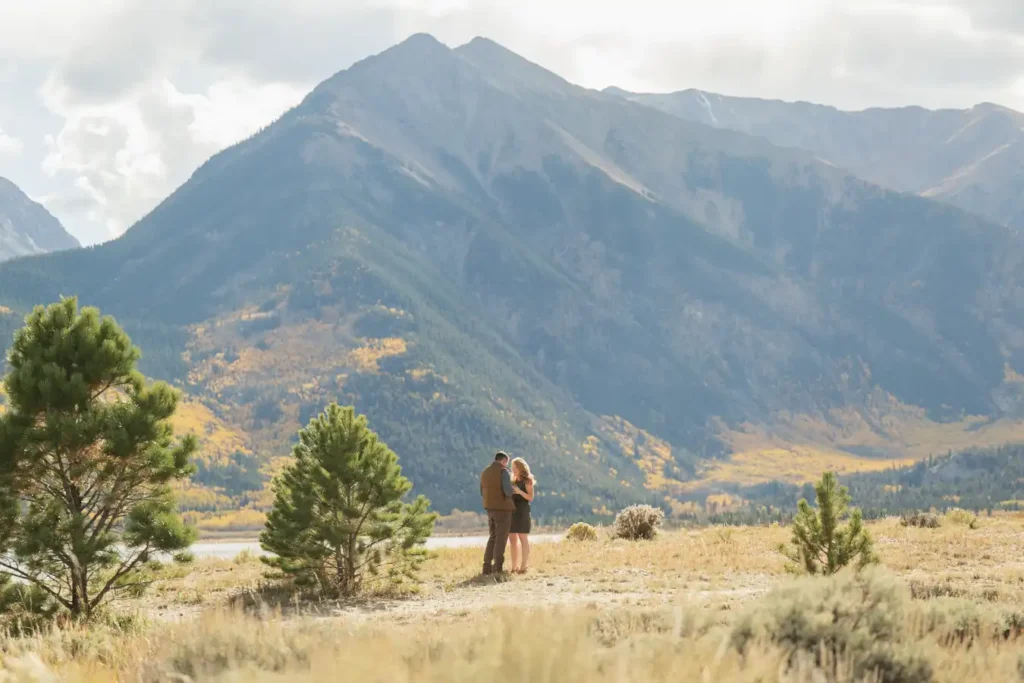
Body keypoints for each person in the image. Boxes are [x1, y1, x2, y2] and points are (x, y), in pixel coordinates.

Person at [480, 451, 515, 575]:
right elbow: (508, 492)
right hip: (503, 509)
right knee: (501, 538)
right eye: (507, 463)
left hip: (490, 509)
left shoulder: (485, 472)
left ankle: (486, 566)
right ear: (504, 461)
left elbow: (481, 492)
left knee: (492, 537)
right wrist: (513, 489)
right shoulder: (503, 472)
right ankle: (498, 567)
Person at [508, 457, 536, 574]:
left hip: (523, 512)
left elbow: (530, 497)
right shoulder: (512, 481)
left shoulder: (527, 481)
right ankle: (514, 567)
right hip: (512, 512)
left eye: (515, 468)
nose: (513, 470)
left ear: (521, 468)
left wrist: (520, 492)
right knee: (512, 539)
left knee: (523, 538)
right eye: (512, 468)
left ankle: (523, 566)